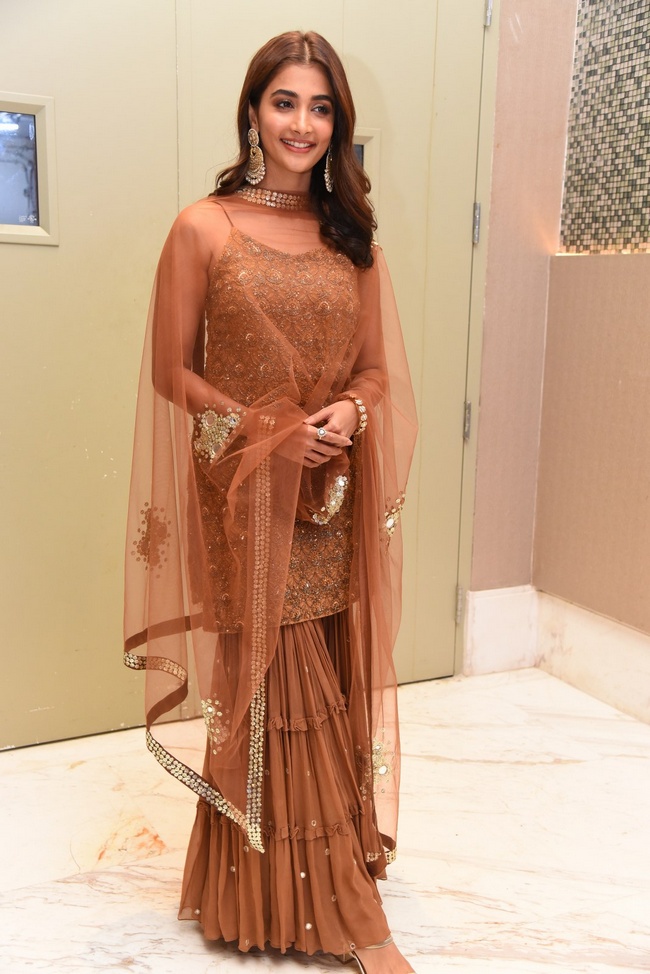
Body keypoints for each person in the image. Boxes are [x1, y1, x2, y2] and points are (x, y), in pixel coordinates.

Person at [124, 30, 418, 974]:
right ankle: (349, 919)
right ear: (252, 112)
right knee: (280, 678)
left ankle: (254, 892)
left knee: (320, 675)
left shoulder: (351, 239)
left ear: (339, 124)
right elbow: (172, 371)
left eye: (320, 107)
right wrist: (267, 431)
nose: (302, 123)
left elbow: (376, 370)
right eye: (284, 102)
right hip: (247, 489)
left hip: (329, 489)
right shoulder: (204, 226)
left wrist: (350, 411)